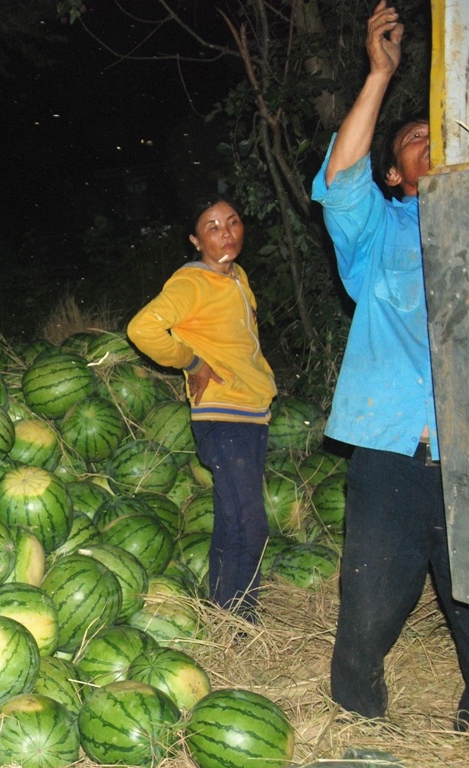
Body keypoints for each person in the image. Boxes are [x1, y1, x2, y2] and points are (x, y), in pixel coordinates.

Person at [311, 1, 469, 728]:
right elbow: (341, 179)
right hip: (388, 450)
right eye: (414, 140)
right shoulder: (376, 234)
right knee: (368, 602)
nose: (429, 145)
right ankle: (354, 716)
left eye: (439, 135)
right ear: (395, 173)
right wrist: (378, 77)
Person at [127, 196, 277, 618]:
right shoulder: (191, 283)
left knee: (233, 521)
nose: (226, 232)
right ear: (196, 239)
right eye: (213, 226)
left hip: (251, 412)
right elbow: (142, 328)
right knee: (251, 524)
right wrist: (191, 361)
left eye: (232, 222)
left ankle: (224, 612)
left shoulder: (237, 276)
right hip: (222, 416)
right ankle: (240, 620)